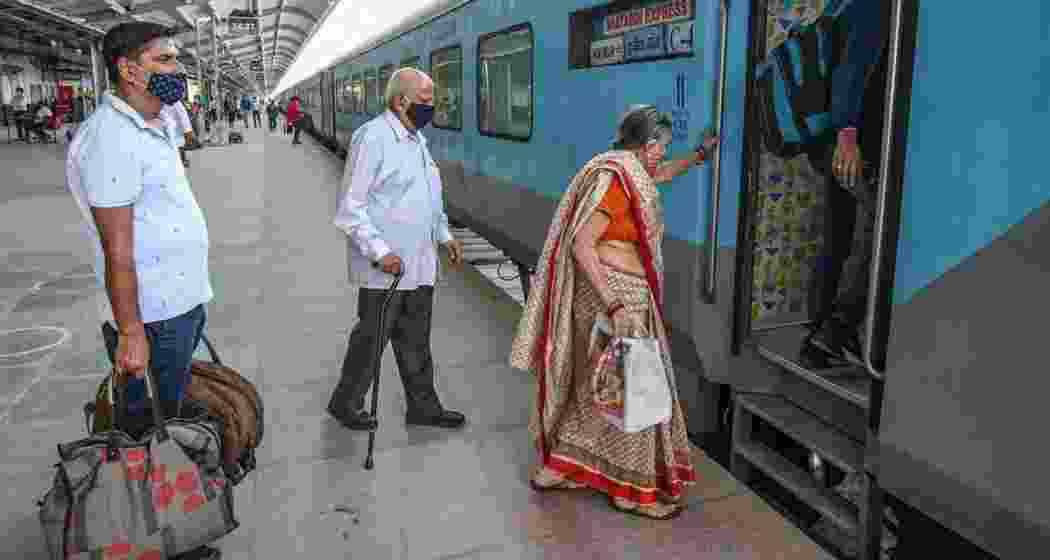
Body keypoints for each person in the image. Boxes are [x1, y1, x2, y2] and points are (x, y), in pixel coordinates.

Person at [509, 105, 719, 520]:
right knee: (635, 391)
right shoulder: (615, 181)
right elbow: (581, 244)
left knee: (595, 382)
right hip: (615, 296)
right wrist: (616, 304)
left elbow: (659, 177)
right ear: (643, 143)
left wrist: (697, 158)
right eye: (659, 145)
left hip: (614, 294)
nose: (661, 153)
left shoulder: (627, 172)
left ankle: (560, 466)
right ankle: (631, 490)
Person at [64, 22, 217, 559]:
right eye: (167, 61)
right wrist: (131, 331)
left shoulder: (151, 125)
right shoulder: (110, 140)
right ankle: (154, 535)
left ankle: (171, 523)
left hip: (178, 304)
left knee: (167, 419)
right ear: (129, 70)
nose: (179, 71)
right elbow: (118, 250)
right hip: (150, 317)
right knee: (146, 432)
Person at [328, 68, 467, 432]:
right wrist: (379, 251)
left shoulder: (416, 140)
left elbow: (428, 198)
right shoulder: (373, 138)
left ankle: (423, 407)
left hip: (419, 263)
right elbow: (350, 207)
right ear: (399, 100)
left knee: (417, 341)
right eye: (424, 99)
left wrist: (444, 235)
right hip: (385, 268)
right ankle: (346, 403)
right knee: (372, 340)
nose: (431, 106)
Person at [799, 0, 888, 368]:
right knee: (879, 234)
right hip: (853, 140)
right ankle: (834, 330)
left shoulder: (840, 4)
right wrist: (848, 135)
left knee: (838, 232)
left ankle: (820, 332)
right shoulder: (873, 6)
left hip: (831, 137)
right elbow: (852, 70)